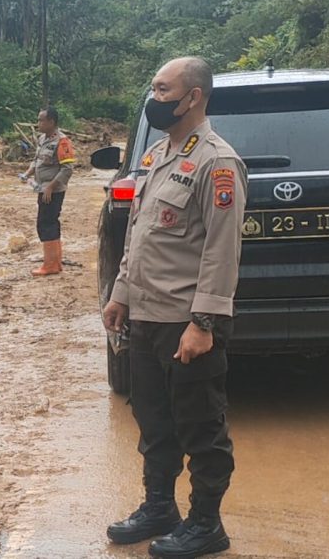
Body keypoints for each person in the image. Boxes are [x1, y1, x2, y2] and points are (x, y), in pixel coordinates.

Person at [101, 57, 248, 558]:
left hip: (185, 322)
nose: (154, 97)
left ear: (194, 97)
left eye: (163, 89)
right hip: (145, 317)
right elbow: (140, 235)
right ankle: (159, 506)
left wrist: (203, 322)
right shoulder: (158, 155)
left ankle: (207, 523)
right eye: (154, 88)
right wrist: (121, 292)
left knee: (200, 425)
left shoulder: (217, 162)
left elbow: (222, 251)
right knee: (154, 420)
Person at [18, 106, 75, 276]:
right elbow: (37, 161)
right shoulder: (42, 139)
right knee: (49, 222)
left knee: (46, 223)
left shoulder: (62, 141)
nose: (38, 123)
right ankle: (55, 263)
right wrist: (27, 174)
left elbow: (67, 169)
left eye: (41, 120)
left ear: (51, 122)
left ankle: (50, 265)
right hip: (42, 188)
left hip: (53, 191)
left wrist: (51, 186)